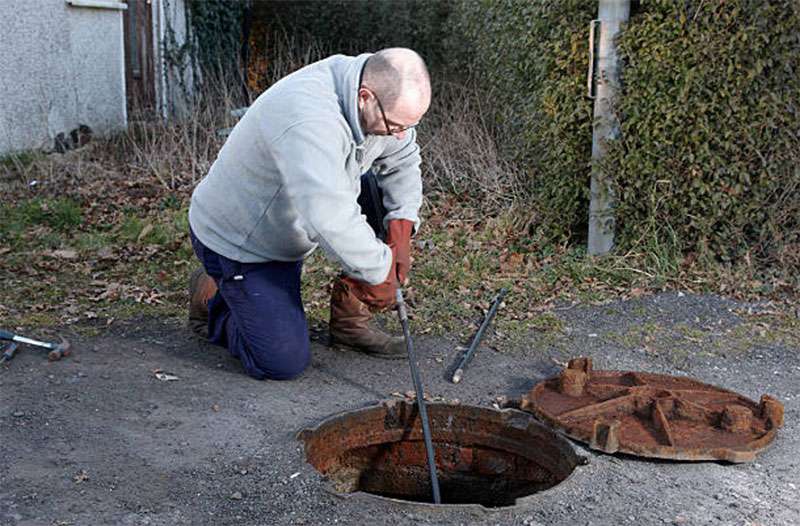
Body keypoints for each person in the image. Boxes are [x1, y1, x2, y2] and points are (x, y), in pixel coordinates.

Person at [187, 48, 431, 380]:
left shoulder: (380, 97)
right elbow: (327, 216)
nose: (401, 134)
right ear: (364, 98)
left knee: (376, 193)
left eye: (409, 126)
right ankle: (214, 297)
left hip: (292, 218)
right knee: (281, 361)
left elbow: (403, 159)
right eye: (396, 126)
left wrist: (401, 232)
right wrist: (381, 273)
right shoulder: (308, 116)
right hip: (242, 240)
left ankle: (349, 323)